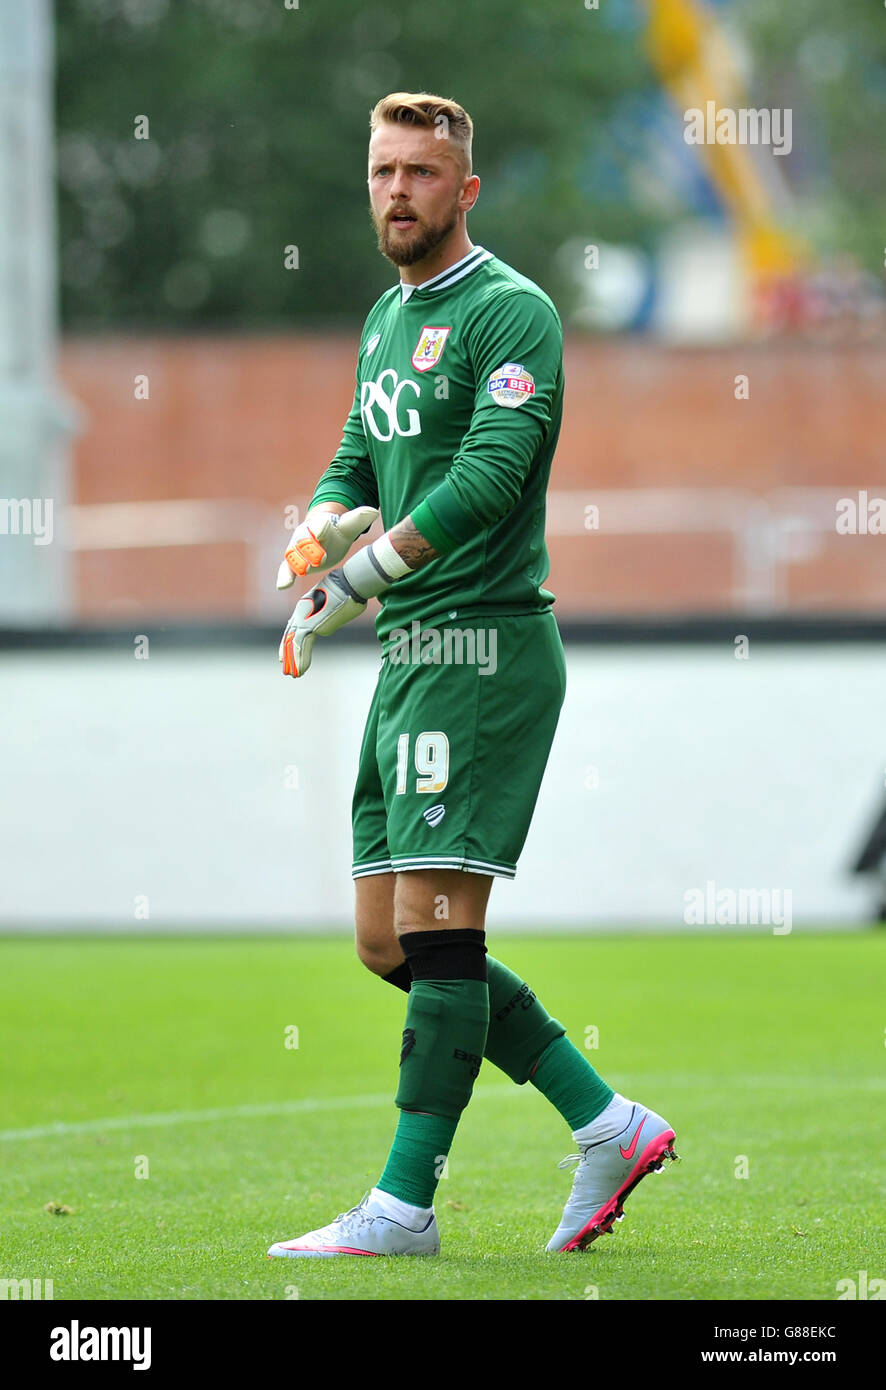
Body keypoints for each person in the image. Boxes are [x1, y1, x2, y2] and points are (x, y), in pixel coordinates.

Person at [267, 91, 677, 1259]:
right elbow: (363, 448)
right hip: (413, 657)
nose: (398, 191)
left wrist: (360, 578)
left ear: (465, 190)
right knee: (388, 944)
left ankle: (402, 1207)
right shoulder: (384, 319)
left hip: (482, 649)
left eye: (421, 174)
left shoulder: (512, 312)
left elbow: (493, 473)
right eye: (383, 171)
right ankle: (609, 1123)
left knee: (442, 931)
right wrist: (322, 520)